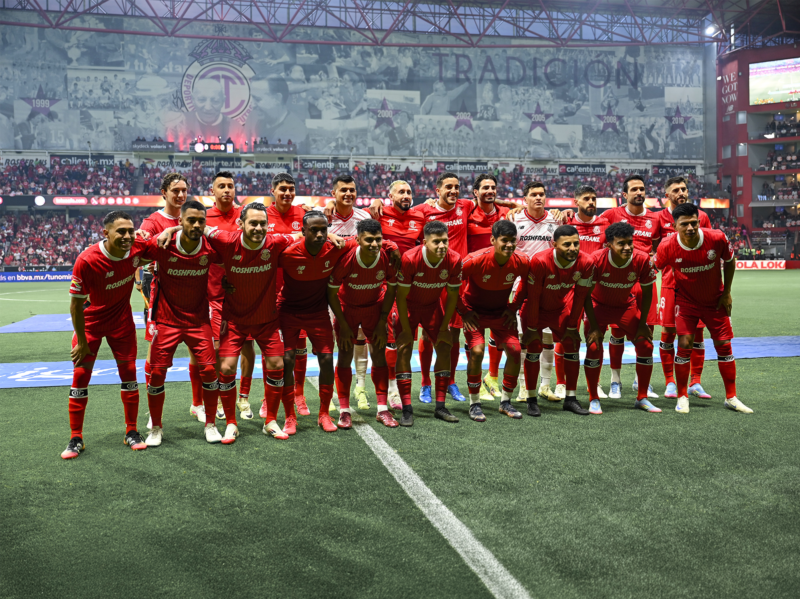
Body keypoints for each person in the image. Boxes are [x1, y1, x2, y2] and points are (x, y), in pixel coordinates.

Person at [277, 211, 397, 434]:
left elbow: (389, 279)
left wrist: (393, 246)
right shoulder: (291, 253)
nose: (320, 234)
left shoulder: (342, 249)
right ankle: (302, 414)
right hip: (309, 311)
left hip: (344, 310)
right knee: (289, 360)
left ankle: (364, 410)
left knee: (348, 357)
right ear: (303, 231)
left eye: (324, 230)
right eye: (314, 230)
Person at [204, 202, 299, 440]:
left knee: (277, 364)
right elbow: (197, 227)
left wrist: (332, 235)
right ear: (241, 224)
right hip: (235, 320)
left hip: (267, 319)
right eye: (253, 223)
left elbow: (302, 234)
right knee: (226, 367)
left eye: (262, 224)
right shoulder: (226, 240)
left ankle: (271, 421)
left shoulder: (275, 242)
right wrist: (171, 230)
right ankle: (231, 423)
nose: (258, 228)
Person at [141, 200, 230, 446]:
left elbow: (232, 253)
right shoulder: (163, 245)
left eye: (201, 221)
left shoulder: (209, 248)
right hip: (166, 320)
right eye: (191, 220)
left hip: (198, 321)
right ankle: (155, 428)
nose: (196, 225)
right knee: (157, 374)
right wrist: (164, 232)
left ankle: (210, 424)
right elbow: (135, 252)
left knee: (210, 371)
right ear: (180, 221)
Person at [63, 211, 149, 459]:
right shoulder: (87, 260)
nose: (127, 236)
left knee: (129, 374)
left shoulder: (136, 249)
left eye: (131, 231)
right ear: (106, 233)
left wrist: (165, 232)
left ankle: (131, 431)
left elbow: (162, 246)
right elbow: (75, 306)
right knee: (80, 376)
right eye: (121, 231)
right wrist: (81, 341)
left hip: (122, 324)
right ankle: (76, 437)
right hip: (91, 325)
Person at [654, 203, 752, 414]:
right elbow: (653, 268)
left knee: (724, 345)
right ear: (675, 226)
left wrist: (727, 292)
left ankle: (731, 397)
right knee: (685, 344)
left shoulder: (716, 237)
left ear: (699, 222)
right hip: (685, 303)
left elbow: (730, 261)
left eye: (693, 223)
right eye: (684, 224)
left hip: (715, 301)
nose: (690, 227)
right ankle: (682, 396)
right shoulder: (667, 245)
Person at [139, 173, 205, 424]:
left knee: (197, 352)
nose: (180, 195)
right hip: (163, 295)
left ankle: (197, 404)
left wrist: (175, 228)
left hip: (195, 291)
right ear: (164, 193)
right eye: (175, 190)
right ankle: (152, 412)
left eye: (184, 190)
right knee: (155, 354)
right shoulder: (153, 221)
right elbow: (142, 248)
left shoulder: (194, 215)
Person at [514, 225, 595, 417]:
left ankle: (571, 399)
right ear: (554, 244)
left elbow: (580, 296)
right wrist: (532, 327)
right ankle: (531, 400)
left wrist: (572, 326)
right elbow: (533, 297)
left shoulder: (586, 262)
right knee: (534, 347)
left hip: (560, 308)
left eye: (576, 243)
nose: (573, 248)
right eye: (567, 244)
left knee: (572, 344)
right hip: (534, 309)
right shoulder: (540, 260)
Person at [328, 219, 398, 429]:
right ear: (358, 239)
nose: (374, 244)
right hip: (347, 309)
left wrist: (382, 320)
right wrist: (343, 324)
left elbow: (391, 289)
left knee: (379, 354)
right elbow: (331, 293)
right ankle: (344, 411)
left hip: (374, 308)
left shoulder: (386, 257)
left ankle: (382, 409)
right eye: (369, 240)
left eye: (378, 239)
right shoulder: (346, 259)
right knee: (345, 355)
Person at [582, 223, 659, 416]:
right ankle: (594, 398)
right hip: (598, 306)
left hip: (626, 307)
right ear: (609, 245)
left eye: (629, 243)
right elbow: (585, 295)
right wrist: (594, 327)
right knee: (593, 346)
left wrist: (643, 323)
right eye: (621, 244)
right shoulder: (596, 260)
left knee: (646, 345)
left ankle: (642, 397)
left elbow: (647, 293)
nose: (627, 247)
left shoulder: (642, 259)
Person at [394, 221, 462, 426]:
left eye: (445, 241)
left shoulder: (454, 259)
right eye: (436, 242)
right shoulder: (410, 258)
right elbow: (401, 296)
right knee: (404, 349)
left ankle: (440, 406)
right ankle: (407, 409)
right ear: (425, 242)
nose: (442, 246)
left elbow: (452, 295)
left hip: (432, 307)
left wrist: (444, 328)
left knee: (444, 346)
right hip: (408, 307)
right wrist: (406, 330)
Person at [460, 220, 528, 422]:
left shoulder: (522, 261)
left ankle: (506, 402)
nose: (509, 245)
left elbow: (526, 284)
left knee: (515, 350)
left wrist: (513, 307)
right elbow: (452, 283)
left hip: (501, 312)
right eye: (504, 240)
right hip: (474, 313)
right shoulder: (474, 260)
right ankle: (474, 403)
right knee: (477, 351)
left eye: (513, 240)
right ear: (492, 240)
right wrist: (464, 311)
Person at [602, 175, 662, 400]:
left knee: (646, 331)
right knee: (617, 331)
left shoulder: (654, 218)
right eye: (634, 189)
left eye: (642, 189)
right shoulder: (611, 215)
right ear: (624, 194)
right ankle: (615, 380)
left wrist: (654, 259)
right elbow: (593, 228)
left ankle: (640, 381)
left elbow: (658, 245)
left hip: (645, 281)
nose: (639, 192)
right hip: (620, 282)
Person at [205, 171, 258, 421]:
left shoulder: (246, 215)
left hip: (245, 295)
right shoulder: (205, 217)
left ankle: (244, 398)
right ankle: (218, 397)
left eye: (231, 186)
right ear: (212, 191)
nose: (227, 190)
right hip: (214, 295)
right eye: (222, 186)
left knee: (248, 346)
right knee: (218, 349)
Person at [654, 176, 712, 400]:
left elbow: (708, 246)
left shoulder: (702, 217)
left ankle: (695, 382)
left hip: (697, 286)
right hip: (670, 284)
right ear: (667, 195)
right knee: (668, 332)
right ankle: (670, 382)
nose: (681, 193)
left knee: (697, 334)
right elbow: (653, 249)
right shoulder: (658, 218)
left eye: (684, 189)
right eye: (676, 190)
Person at [508, 181, 562, 403]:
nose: (538, 197)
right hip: (521, 287)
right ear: (525, 199)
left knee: (548, 338)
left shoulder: (555, 220)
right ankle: (523, 387)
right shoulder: (515, 220)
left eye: (541, 194)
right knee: (524, 338)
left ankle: (545, 386)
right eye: (534, 194)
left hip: (549, 287)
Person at [325, 174, 373, 412]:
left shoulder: (364, 218)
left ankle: (360, 387)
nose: (348, 194)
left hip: (356, 288)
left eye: (352, 190)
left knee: (359, 340)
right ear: (333, 193)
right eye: (343, 190)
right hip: (326, 288)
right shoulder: (323, 216)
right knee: (331, 343)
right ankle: (329, 393)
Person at [266, 173, 312, 416]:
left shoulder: (304, 214)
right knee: (272, 348)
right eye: (282, 188)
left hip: (298, 291)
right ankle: (268, 397)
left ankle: (299, 394)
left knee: (300, 346)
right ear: (272, 190)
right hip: (268, 291)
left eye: (291, 189)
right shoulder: (262, 215)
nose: (287, 193)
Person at [466, 173, 511, 402]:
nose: (490, 191)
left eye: (493, 187)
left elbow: (527, 208)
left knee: (497, 330)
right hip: (473, 280)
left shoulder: (506, 213)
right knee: (474, 334)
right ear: (475, 192)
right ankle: (473, 382)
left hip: (500, 278)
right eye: (485, 188)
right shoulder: (467, 212)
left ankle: (492, 377)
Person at [563, 184, 609, 399]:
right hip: (569, 288)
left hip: (594, 290)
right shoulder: (566, 222)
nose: (591, 202)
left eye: (593, 198)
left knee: (594, 336)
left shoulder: (605, 224)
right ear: (576, 202)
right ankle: (561, 383)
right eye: (586, 198)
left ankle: (595, 383)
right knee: (566, 335)